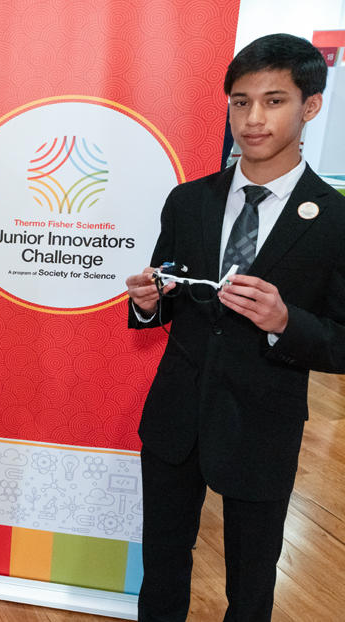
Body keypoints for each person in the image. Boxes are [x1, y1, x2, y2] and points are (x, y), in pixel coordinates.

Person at [125, 33, 345, 622]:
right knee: (163, 566)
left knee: (251, 586)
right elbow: (167, 294)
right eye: (241, 101)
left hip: (262, 426)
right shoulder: (189, 200)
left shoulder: (335, 219)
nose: (253, 118)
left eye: (274, 101)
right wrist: (148, 301)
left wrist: (284, 322)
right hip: (175, 417)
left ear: (311, 106)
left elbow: (341, 339)